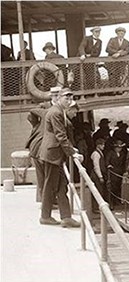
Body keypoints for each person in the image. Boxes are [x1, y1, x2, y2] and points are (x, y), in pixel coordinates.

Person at [39, 88, 83, 227]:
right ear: (59, 98)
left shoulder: (58, 111)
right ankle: (45, 217)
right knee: (50, 186)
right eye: (66, 98)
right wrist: (72, 152)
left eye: (70, 99)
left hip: (55, 154)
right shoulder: (56, 112)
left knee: (61, 186)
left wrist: (71, 149)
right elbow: (60, 135)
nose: (69, 101)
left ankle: (66, 217)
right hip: (53, 154)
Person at [106, 27, 129, 91]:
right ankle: (112, 91)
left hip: (121, 63)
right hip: (112, 63)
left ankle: (119, 90)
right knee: (112, 76)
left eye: (122, 33)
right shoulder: (112, 40)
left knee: (119, 76)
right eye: (119, 33)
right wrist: (116, 52)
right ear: (117, 33)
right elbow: (108, 49)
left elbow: (127, 51)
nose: (121, 34)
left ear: (124, 34)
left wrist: (119, 54)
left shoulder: (126, 42)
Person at [105, 139, 127, 209]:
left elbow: (124, 163)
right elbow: (107, 161)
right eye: (118, 147)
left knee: (118, 187)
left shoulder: (122, 154)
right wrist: (108, 165)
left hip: (120, 172)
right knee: (112, 187)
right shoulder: (110, 153)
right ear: (115, 148)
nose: (119, 149)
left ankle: (117, 200)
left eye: (120, 148)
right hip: (112, 172)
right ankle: (111, 202)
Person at [90, 138, 107, 214]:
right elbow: (96, 166)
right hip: (96, 175)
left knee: (100, 190)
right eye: (102, 144)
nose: (104, 146)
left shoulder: (99, 153)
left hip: (99, 174)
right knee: (97, 190)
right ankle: (95, 207)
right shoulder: (96, 154)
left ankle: (97, 206)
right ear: (98, 145)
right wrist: (100, 176)